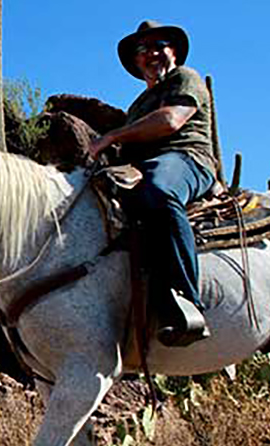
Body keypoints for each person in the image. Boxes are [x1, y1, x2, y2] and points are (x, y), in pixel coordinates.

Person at [86, 20, 217, 346]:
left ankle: (186, 299)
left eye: (158, 46)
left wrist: (113, 135)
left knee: (159, 190)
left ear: (173, 51)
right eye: (142, 50)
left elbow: (170, 121)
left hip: (187, 159)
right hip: (143, 168)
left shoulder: (186, 79)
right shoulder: (137, 106)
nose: (150, 54)